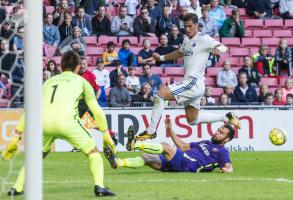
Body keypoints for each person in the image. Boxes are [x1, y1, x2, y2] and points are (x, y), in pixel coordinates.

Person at [2, 51, 116, 197]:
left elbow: (30, 109)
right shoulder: (82, 82)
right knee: (93, 152)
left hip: (44, 123)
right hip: (67, 122)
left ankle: (17, 187)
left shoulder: (48, 82)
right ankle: (99, 186)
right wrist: (106, 134)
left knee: (36, 156)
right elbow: (97, 110)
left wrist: (16, 137)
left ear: (61, 66)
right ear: (78, 66)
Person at [134, 13, 240, 141]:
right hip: (194, 84)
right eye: (185, 26)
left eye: (190, 26)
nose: (187, 29)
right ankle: (225, 117)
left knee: (160, 95)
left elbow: (223, 47)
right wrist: (161, 58)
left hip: (193, 82)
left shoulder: (204, 38)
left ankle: (151, 131)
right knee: (192, 120)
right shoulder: (186, 39)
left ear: (197, 26)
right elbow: (180, 52)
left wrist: (218, 50)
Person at [104, 118, 235, 174]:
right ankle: (118, 162)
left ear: (227, 139)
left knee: (165, 146)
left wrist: (228, 170)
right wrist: (170, 129)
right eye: (218, 130)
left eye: (221, 133)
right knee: (147, 158)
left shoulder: (223, 151)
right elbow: (183, 146)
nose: (217, 132)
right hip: (182, 159)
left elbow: (228, 166)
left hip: (189, 165)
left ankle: (134, 145)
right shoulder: (206, 142)